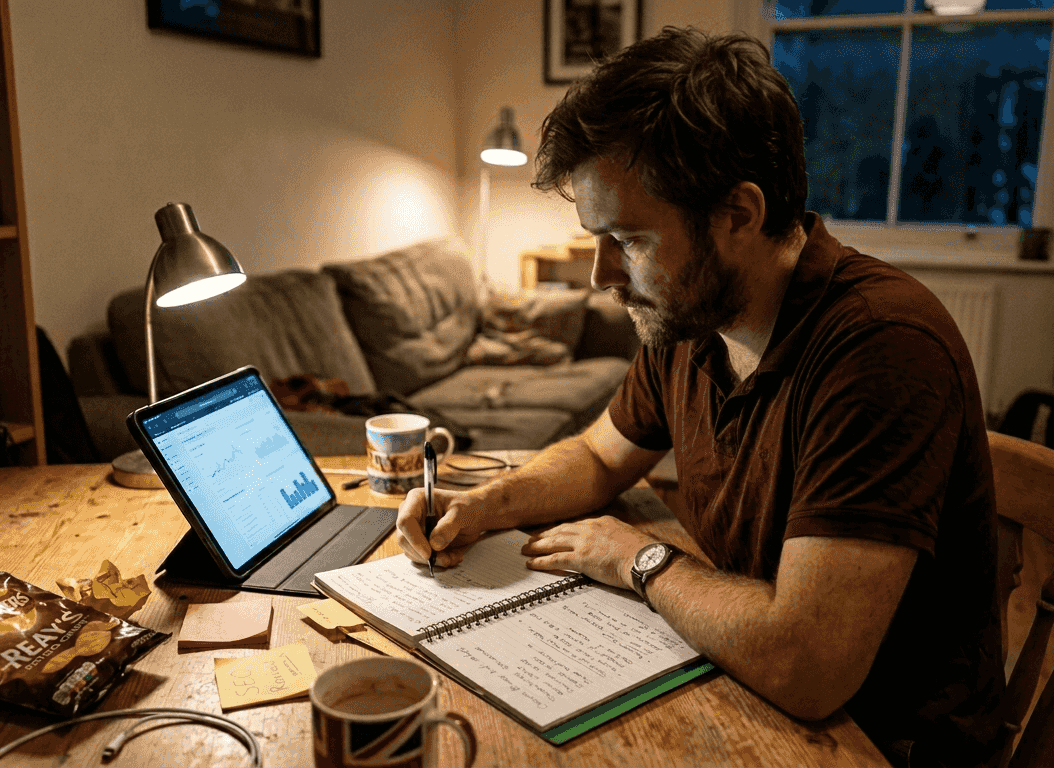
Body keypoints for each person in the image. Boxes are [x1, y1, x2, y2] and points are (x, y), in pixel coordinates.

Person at [395, 26, 1003, 768]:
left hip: (876, 738)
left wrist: (638, 559)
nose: (601, 276)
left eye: (629, 239)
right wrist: (490, 501)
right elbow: (597, 454)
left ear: (739, 215)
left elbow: (808, 665)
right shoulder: (693, 319)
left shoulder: (883, 348)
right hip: (746, 676)